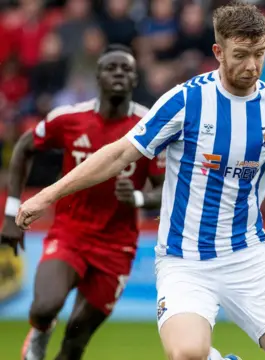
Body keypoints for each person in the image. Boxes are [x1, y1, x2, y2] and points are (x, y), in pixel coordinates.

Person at [13, 4, 265, 360]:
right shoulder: (186, 101)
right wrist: (46, 195)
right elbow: (118, 153)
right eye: (241, 55)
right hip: (184, 260)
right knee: (187, 354)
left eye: (259, 54)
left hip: (248, 256)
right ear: (219, 52)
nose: (252, 65)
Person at [0, 44, 165, 360]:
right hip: (70, 233)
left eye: (126, 69)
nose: (119, 73)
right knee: (44, 306)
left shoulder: (149, 126)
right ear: (97, 77)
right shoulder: (69, 119)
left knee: (76, 341)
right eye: (111, 68)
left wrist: (141, 198)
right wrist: (11, 212)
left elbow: (167, 189)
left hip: (117, 246)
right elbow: (24, 147)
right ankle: (40, 330)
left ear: (135, 79)